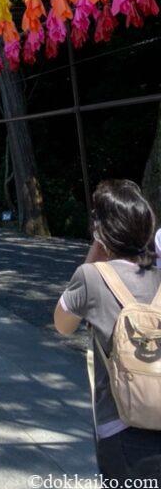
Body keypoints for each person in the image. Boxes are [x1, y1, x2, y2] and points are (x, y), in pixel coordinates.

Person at [54, 179, 161, 481]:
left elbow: (62, 325)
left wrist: (95, 252)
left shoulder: (91, 277)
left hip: (119, 425)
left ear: (102, 230)